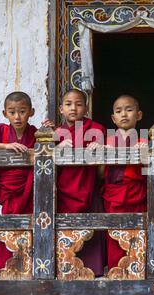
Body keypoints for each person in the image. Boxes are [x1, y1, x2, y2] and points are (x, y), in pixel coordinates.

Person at [0, 91, 53, 273]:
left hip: (30, 191)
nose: (17, 117)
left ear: (31, 112)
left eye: (22, 111)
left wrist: (49, 131)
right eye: (12, 112)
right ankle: (5, 271)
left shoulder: (35, 133)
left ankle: (31, 271)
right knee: (8, 229)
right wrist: (5, 146)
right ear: (5, 114)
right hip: (9, 193)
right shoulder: (0, 130)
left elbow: (51, 145)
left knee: (31, 230)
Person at [55, 89, 107, 276]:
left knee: (91, 229)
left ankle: (94, 270)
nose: (73, 108)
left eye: (78, 104)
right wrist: (57, 149)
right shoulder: (56, 133)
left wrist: (101, 148)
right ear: (61, 109)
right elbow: (46, 165)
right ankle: (65, 268)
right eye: (68, 104)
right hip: (63, 192)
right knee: (65, 230)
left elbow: (103, 167)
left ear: (86, 108)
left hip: (89, 187)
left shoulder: (97, 129)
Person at [101, 95, 148, 270]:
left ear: (139, 114)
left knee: (137, 232)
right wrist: (100, 151)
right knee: (114, 234)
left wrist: (145, 153)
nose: (124, 114)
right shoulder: (107, 141)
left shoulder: (144, 141)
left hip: (137, 193)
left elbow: (151, 171)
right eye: (119, 111)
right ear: (113, 118)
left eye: (129, 109)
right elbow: (100, 173)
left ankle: (138, 267)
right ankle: (116, 269)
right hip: (113, 194)